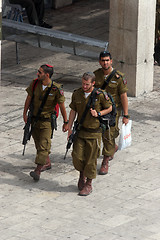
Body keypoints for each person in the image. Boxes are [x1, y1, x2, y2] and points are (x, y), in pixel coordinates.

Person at [68, 72, 112, 196]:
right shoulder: (77, 94)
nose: (84, 86)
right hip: (80, 131)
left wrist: (98, 114)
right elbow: (73, 110)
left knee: (91, 160)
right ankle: (81, 175)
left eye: (87, 84)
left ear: (93, 83)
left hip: (94, 132)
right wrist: (69, 127)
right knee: (77, 156)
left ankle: (88, 184)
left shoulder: (100, 95)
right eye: (83, 83)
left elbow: (109, 108)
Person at [23, 64, 68, 181]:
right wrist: (24, 113)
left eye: (40, 72)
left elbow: (62, 106)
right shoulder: (35, 84)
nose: (37, 74)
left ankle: (37, 170)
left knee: (44, 145)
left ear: (47, 75)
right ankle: (46, 163)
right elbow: (28, 98)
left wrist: (66, 122)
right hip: (34, 119)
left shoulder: (56, 89)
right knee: (38, 143)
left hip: (47, 122)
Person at [94, 51, 129, 175]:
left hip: (113, 111)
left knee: (109, 133)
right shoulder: (96, 75)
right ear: (100, 62)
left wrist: (126, 115)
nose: (105, 62)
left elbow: (123, 96)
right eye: (103, 60)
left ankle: (105, 161)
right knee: (98, 132)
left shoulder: (118, 77)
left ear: (111, 61)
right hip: (99, 110)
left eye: (107, 60)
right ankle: (110, 148)